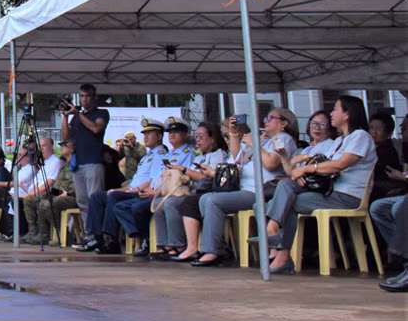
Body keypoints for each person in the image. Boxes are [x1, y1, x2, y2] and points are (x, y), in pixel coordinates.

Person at [264, 95, 377, 275]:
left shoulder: (360, 136)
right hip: (330, 191)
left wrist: (308, 169)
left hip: (347, 196)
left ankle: (278, 243)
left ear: (347, 114)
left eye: (335, 109)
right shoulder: (341, 140)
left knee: (287, 202)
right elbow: (324, 166)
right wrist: (304, 171)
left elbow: (340, 164)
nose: (331, 113)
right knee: (287, 188)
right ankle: (275, 235)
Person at [192, 108, 299, 266]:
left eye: (270, 118)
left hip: (259, 190)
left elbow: (271, 163)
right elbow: (237, 160)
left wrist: (255, 144)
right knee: (205, 199)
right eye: (265, 118)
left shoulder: (284, 138)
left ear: (283, 123)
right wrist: (235, 134)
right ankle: (218, 246)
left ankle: (212, 251)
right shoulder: (266, 140)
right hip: (244, 187)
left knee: (213, 201)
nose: (265, 121)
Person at [106, 118, 195, 255]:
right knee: (119, 206)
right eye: (170, 132)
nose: (172, 135)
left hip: (171, 193)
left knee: (141, 207)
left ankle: (160, 242)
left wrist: (154, 192)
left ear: (186, 134)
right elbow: (157, 178)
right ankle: (145, 237)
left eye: (176, 131)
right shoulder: (169, 154)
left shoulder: (188, 154)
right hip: (156, 192)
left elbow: (184, 180)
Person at [81, 119, 167, 254]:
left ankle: (111, 240)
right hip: (132, 190)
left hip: (142, 192)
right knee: (97, 196)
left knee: (114, 197)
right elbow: (134, 182)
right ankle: (98, 237)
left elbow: (153, 181)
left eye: (149, 134)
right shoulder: (146, 157)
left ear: (160, 136)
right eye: (144, 134)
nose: (145, 137)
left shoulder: (160, 155)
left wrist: (134, 190)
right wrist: (119, 189)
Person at [151, 121, 228, 262]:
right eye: (196, 137)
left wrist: (184, 169)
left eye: (201, 137)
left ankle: (180, 245)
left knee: (173, 203)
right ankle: (165, 244)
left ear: (212, 139)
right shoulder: (199, 157)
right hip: (193, 191)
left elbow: (208, 178)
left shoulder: (218, 154)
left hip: (209, 191)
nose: (197, 140)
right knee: (159, 203)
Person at [60, 84, 110, 237]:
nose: (84, 99)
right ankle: (89, 235)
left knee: (94, 200)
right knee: (82, 202)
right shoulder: (76, 117)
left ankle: (99, 234)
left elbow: (96, 128)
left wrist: (79, 114)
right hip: (79, 163)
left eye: (87, 96)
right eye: (81, 96)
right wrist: (66, 116)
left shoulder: (101, 113)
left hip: (94, 162)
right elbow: (66, 137)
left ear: (94, 98)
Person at [29, 139, 78, 247]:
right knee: (40, 200)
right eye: (61, 145)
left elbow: (77, 183)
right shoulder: (64, 164)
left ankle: (64, 234)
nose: (62, 147)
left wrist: (68, 194)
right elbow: (58, 184)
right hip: (60, 194)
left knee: (47, 204)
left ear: (72, 148)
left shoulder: (76, 162)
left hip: (72, 196)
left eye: (65, 145)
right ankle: (44, 234)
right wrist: (52, 192)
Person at [18, 136, 64, 245]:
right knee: (19, 200)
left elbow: (49, 182)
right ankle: (33, 230)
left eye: (44, 146)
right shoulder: (45, 162)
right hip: (35, 191)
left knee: (31, 200)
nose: (41, 149)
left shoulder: (55, 162)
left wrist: (33, 193)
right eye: (40, 146)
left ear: (51, 146)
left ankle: (42, 233)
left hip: (48, 193)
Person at [367, 110, 407, 202]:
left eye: (379, 129)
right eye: (371, 127)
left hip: (387, 190)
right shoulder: (370, 148)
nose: (374, 131)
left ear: (389, 133)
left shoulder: (387, 150)